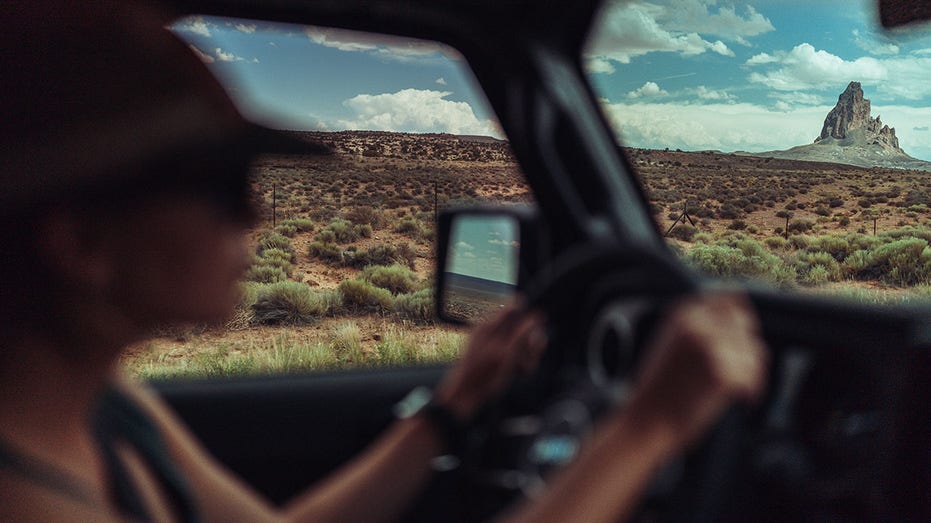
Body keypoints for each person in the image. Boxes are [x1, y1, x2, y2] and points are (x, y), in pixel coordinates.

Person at [0, 1, 767, 521]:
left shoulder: (112, 408)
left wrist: (448, 409)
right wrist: (647, 428)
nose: (258, 212)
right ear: (81, 244)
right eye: (224, 185)